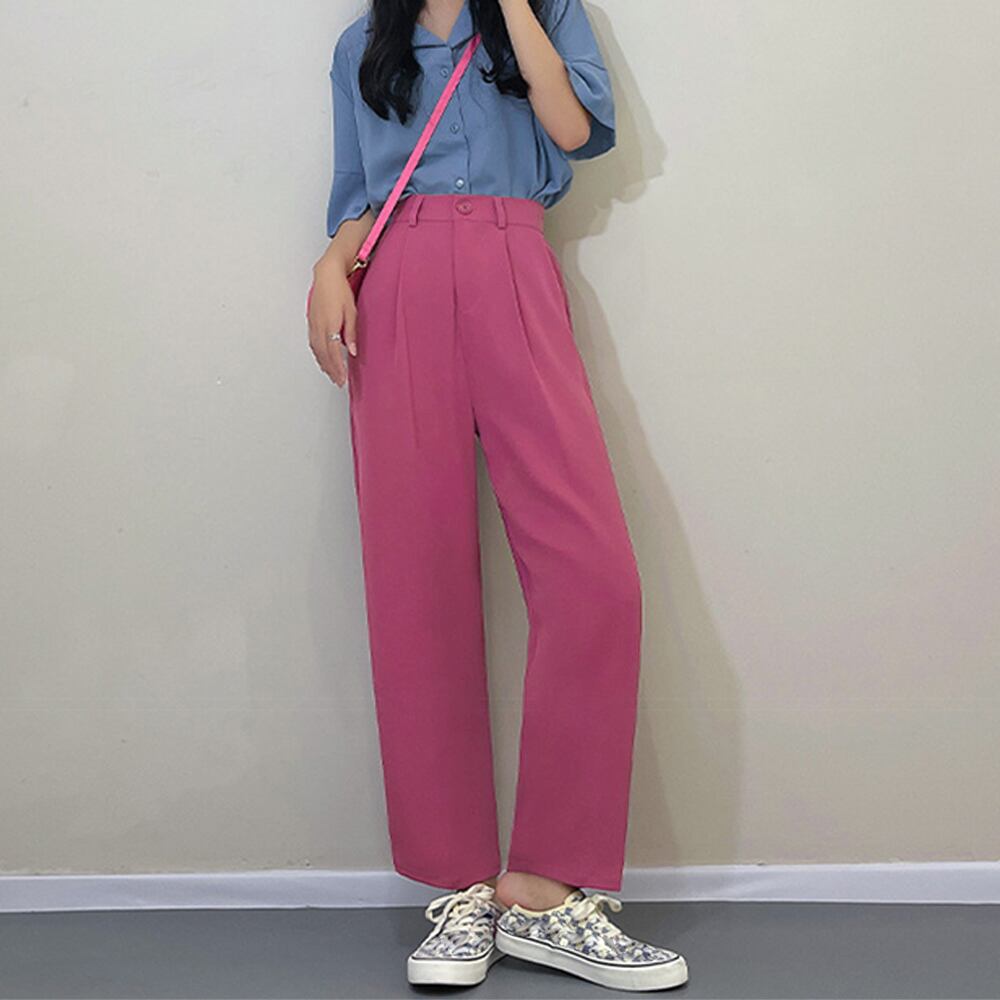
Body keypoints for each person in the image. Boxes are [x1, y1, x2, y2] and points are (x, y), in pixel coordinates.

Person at [306, 0, 689, 991]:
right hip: (393, 289)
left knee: (594, 578)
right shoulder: (362, 46)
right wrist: (328, 266)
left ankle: (544, 888)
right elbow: (359, 195)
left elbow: (575, 130)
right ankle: (461, 884)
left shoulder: (545, 12)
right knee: (415, 581)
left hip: (514, 266)